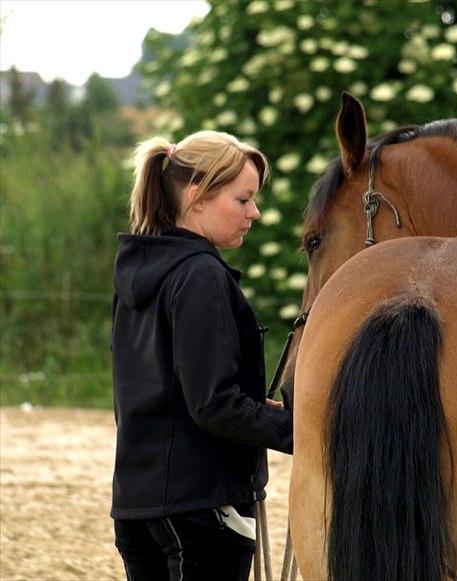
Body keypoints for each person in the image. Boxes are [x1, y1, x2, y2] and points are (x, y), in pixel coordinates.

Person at [111, 130, 293, 581]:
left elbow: (169, 388)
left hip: (139, 503)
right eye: (243, 199)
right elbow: (213, 404)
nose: (255, 212)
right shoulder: (200, 274)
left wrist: (254, 408)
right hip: (202, 508)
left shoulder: (139, 269)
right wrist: (307, 431)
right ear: (197, 197)